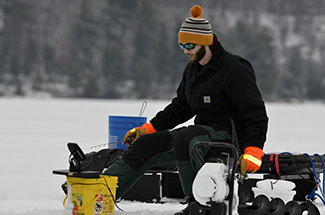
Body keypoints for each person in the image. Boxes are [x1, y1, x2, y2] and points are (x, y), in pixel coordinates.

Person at [103, 5, 268, 215]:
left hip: (231, 135)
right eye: (182, 44)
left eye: (190, 44)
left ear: (206, 43)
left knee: (187, 138)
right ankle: (102, 193)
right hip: (201, 134)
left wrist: (253, 150)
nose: (185, 50)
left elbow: (255, 112)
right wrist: (149, 129)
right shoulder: (193, 69)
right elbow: (181, 106)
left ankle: (198, 205)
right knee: (147, 145)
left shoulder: (234, 69)